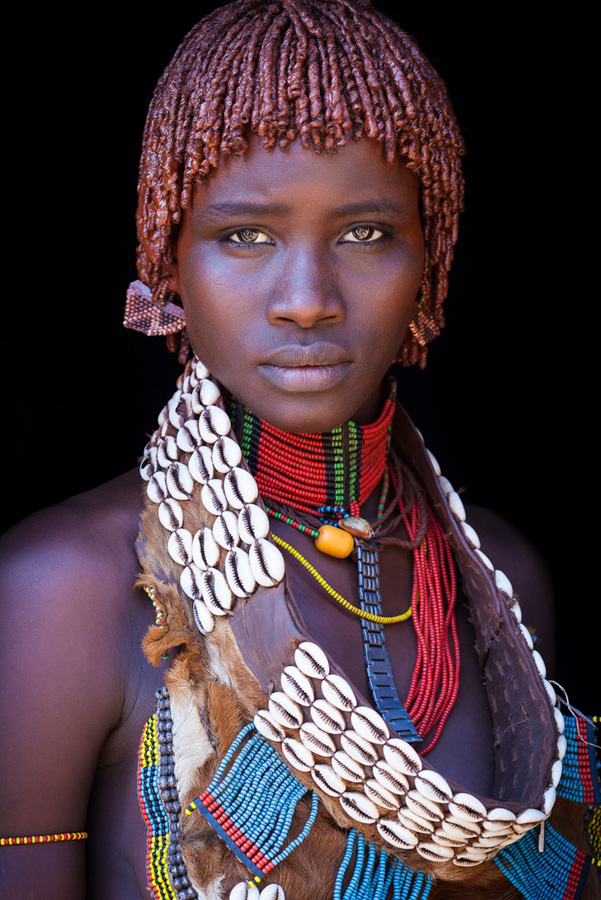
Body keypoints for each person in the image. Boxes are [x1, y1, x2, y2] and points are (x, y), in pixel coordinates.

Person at [1, 2, 598, 899]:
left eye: (364, 233)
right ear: (167, 260)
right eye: (245, 236)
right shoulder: (64, 591)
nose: (308, 298)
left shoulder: (503, 584)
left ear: (430, 263)